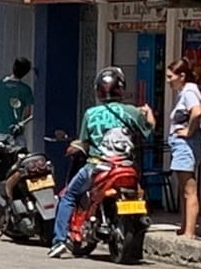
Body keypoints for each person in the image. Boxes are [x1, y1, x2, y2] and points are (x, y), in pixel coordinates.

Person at [49, 66, 153, 257]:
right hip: (127, 167)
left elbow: (85, 142)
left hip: (98, 166)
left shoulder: (91, 114)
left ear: (98, 90)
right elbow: (148, 130)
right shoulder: (131, 111)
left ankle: (59, 240)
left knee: (69, 196)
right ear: (121, 89)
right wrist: (148, 113)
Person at [166, 59, 201, 238]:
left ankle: (189, 232)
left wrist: (189, 131)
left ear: (181, 76)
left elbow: (196, 112)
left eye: (170, 77)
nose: (168, 81)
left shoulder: (189, 91)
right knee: (183, 188)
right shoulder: (184, 92)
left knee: (189, 189)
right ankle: (184, 227)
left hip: (186, 145)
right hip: (180, 144)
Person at [0, 57, 35, 148]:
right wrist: (21, 124)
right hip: (15, 134)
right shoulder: (25, 90)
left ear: (13, 67)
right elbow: (28, 113)